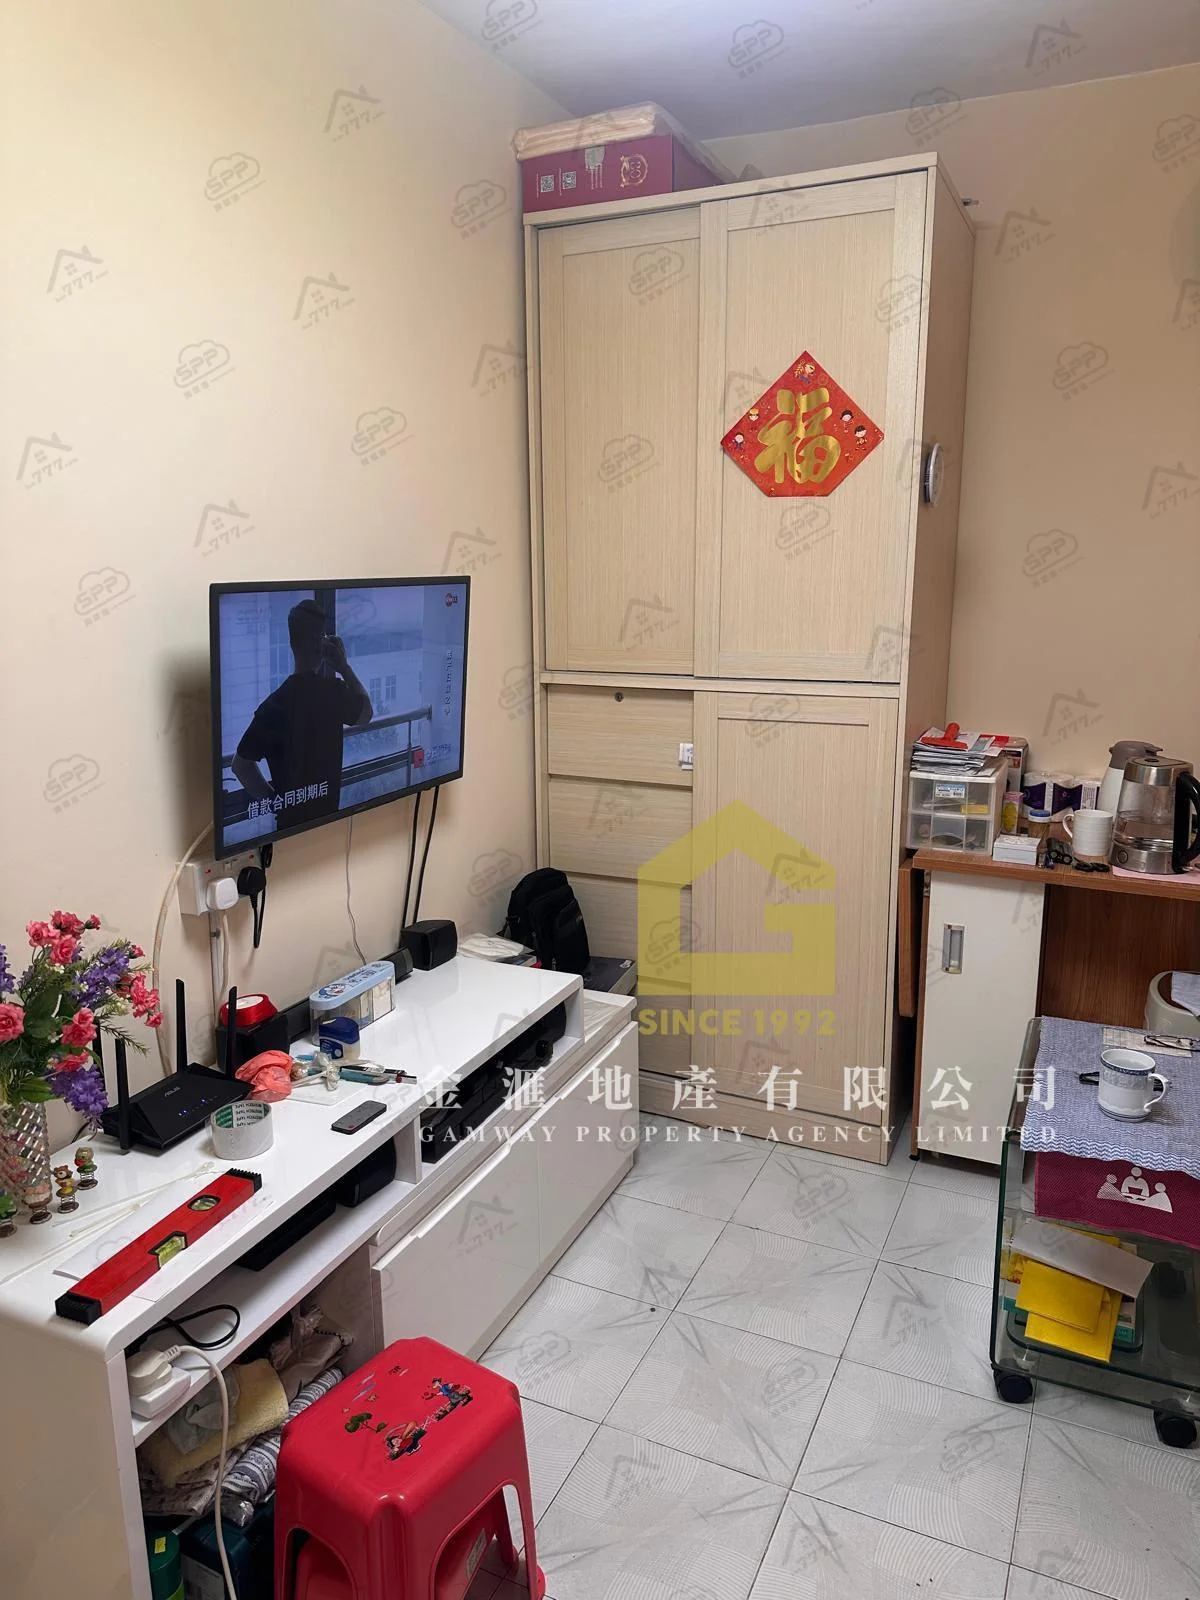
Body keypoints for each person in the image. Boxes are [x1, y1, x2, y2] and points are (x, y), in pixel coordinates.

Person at [231, 599, 373, 828]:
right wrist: (344, 667)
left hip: (288, 828)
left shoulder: (273, 706)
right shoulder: (332, 692)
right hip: (328, 822)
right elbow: (366, 713)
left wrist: (276, 802)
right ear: (318, 642)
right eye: (324, 635)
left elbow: (240, 766)